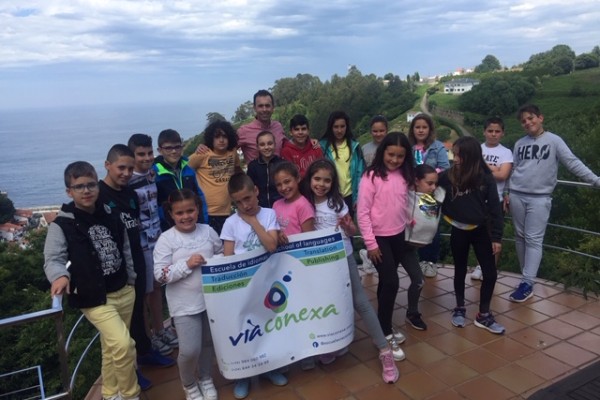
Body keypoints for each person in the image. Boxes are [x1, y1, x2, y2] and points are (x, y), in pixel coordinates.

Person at [44, 161, 140, 400]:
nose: (86, 191)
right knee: (124, 345)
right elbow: (53, 258)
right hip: (94, 298)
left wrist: (131, 280)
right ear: (69, 191)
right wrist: (59, 276)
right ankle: (130, 394)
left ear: (97, 185)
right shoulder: (62, 224)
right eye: (79, 187)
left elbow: (125, 248)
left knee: (111, 348)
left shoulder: (111, 214)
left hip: (123, 290)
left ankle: (109, 393)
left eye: (90, 185)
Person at [301, 159, 401, 383]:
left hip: (342, 256)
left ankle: (385, 351)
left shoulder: (337, 203)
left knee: (360, 301)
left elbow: (353, 230)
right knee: (324, 303)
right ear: (309, 179)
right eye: (317, 179)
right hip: (317, 262)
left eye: (327, 180)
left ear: (333, 183)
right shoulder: (304, 203)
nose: (321, 184)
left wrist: (348, 226)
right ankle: (330, 345)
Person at [98, 144, 176, 390]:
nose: (126, 172)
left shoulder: (129, 192)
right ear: (107, 165)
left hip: (137, 258)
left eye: (130, 168)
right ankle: (130, 371)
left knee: (137, 310)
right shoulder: (99, 196)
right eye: (121, 167)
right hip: (114, 268)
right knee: (124, 322)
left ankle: (144, 351)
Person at [506, 104, 600, 302]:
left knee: (533, 239)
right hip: (516, 194)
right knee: (520, 237)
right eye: (523, 121)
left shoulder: (554, 141)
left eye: (530, 118)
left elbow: (573, 162)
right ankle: (526, 279)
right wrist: (507, 191)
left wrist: (596, 180)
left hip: (539, 198)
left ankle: (527, 282)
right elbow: (514, 169)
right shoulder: (520, 143)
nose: (527, 123)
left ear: (541, 118)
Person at [220, 173, 287, 399]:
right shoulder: (230, 223)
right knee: (244, 330)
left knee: (267, 327)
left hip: (267, 282)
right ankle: (244, 375)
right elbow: (229, 257)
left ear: (256, 191)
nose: (244, 205)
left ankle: (270, 368)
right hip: (242, 288)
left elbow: (270, 245)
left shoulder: (268, 215)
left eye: (247, 198)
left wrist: (253, 222)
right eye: (238, 202)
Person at [153, 189, 221, 400]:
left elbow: (221, 254)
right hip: (184, 305)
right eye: (180, 213)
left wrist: (217, 262)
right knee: (190, 349)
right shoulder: (166, 239)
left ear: (198, 209)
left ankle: (206, 377)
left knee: (208, 343)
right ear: (171, 215)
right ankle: (189, 384)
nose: (186, 216)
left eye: (190, 210)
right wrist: (186, 265)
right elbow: (160, 275)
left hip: (211, 300)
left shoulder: (208, 231)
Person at [357, 132, 427, 334]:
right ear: (382, 152)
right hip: (378, 239)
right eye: (391, 155)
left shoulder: (405, 175)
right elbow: (362, 213)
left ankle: (381, 320)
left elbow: (403, 204)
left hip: (399, 236)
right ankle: (385, 331)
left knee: (386, 282)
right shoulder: (371, 177)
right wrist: (371, 244)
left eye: (400, 156)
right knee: (391, 281)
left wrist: (411, 223)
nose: (395, 160)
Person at [438, 137, 505, 334]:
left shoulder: (485, 177)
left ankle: (484, 315)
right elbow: (430, 187)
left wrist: (497, 238)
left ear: (471, 156)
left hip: (481, 230)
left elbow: (495, 208)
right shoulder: (448, 176)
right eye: (455, 154)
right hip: (458, 229)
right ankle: (459, 307)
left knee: (490, 273)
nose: (455, 158)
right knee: (460, 269)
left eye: (459, 155)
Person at [127, 134, 179, 359]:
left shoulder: (152, 174)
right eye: (141, 154)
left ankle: (160, 329)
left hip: (158, 238)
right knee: (146, 291)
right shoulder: (127, 181)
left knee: (157, 286)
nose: (147, 158)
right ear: (133, 155)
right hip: (140, 244)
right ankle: (148, 336)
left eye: (149, 153)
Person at [408, 113, 450, 278]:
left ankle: (430, 261)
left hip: (431, 194)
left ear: (430, 129)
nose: (420, 130)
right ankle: (418, 260)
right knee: (415, 225)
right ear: (413, 129)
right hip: (414, 193)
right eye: (417, 127)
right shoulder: (409, 147)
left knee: (432, 227)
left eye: (424, 127)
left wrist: (429, 177)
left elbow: (445, 167)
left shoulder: (437, 146)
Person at [472, 117, 513, 280]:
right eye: (490, 131)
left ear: (502, 133)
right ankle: (479, 265)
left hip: (496, 201)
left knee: (494, 236)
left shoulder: (506, 152)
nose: (493, 134)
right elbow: (473, 173)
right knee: (478, 236)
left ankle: (490, 269)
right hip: (477, 199)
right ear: (484, 132)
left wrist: (484, 167)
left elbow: (503, 175)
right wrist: (493, 168)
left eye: (497, 131)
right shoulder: (477, 149)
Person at [188, 120, 242, 234]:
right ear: (211, 138)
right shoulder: (202, 154)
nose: (221, 140)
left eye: (224, 136)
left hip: (228, 211)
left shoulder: (232, 153)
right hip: (207, 213)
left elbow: (238, 172)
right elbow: (184, 170)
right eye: (217, 137)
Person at [153, 129, 208, 231]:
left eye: (177, 147)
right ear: (160, 150)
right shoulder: (155, 174)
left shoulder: (189, 170)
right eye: (168, 148)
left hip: (193, 225)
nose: (174, 151)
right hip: (169, 229)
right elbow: (155, 205)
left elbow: (199, 197)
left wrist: (204, 222)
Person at [320, 111, 365, 218]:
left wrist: (358, 197)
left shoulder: (354, 146)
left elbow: (360, 173)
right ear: (331, 127)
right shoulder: (323, 146)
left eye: (342, 126)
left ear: (347, 127)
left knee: (348, 228)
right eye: (336, 127)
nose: (339, 130)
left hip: (349, 195)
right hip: (330, 194)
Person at [237, 89, 287, 163]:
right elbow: (228, 151)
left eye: (267, 106)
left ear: (273, 107)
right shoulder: (243, 131)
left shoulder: (278, 126)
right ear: (254, 108)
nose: (264, 109)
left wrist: (309, 141)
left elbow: (288, 145)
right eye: (260, 106)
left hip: (279, 172)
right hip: (255, 173)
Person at [405, 164, 445, 251]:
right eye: (430, 183)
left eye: (435, 184)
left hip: (428, 242)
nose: (434, 187)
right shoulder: (407, 194)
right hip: (406, 241)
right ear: (416, 181)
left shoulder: (438, 195)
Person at [272, 161, 316, 239]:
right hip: (281, 251)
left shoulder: (303, 206)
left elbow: (310, 239)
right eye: (279, 185)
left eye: (287, 182)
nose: (283, 188)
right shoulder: (276, 205)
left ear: (298, 178)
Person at [246, 131, 284, 208]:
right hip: (261, 208)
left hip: (281, 207)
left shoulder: (282, 164)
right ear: (257, 147)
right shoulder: (253, 166)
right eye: (262, 145)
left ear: (275, 144)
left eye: (270, 143)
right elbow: (250, 189)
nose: (266, 147)